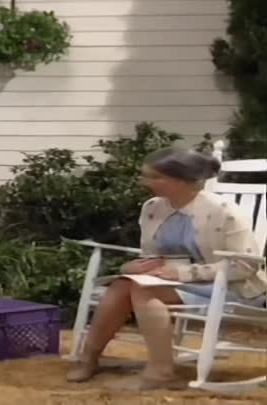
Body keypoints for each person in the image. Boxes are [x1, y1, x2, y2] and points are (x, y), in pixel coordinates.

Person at [66, 146, 267, 389]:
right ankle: (89, 359)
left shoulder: (225, 212)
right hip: (173, 282)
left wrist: (183, 273)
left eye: (155, 177)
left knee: (143, 291)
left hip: (230, 286)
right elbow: (152, 254)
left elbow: (245, 265)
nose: (145, 182)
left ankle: (160, 372)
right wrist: (134, 266)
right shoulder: (153, 208)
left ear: (182, 180)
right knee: (122, 285)